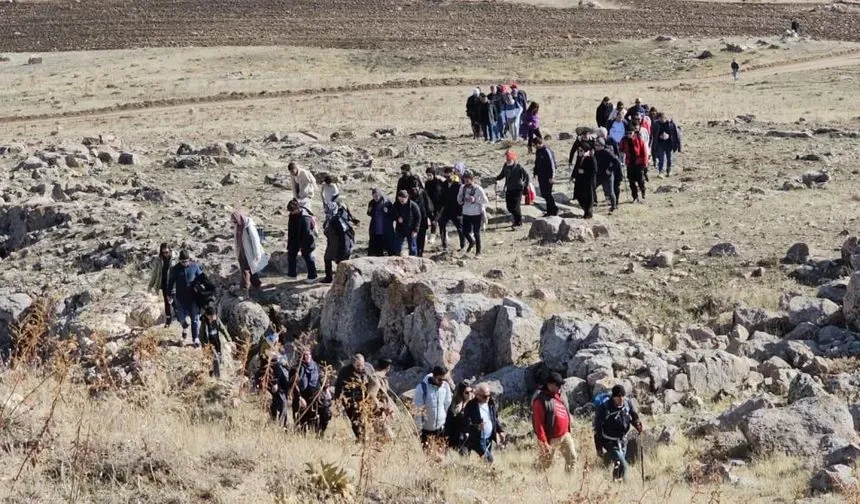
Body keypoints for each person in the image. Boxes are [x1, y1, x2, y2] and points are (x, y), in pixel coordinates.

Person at [594, 385, 643, 482]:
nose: (621, 399)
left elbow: (632, 415)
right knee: (623, 464)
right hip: (609, 441)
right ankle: (623, 484)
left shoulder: (627, 403)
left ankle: (615, 485)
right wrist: (598, 447)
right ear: (613, 397)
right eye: (618, 397)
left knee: (619, 465)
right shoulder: (605, 408)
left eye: (622, 396)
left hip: (623, 440)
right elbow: (597, 429)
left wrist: (637, 424)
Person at [533, 372, 578, 472]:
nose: (559, 387)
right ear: (549, 384)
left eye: (560, 384)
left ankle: (569, 483)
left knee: (572, 458)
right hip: (551, 438)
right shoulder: (540, 401)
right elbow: (538, 424)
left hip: (565, 434)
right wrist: (544, 443)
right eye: (557, 385)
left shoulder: (561, 395)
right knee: (546, 463)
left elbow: (566, 411)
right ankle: (537, 479)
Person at [334, 354, 376, 441]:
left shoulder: (368, 369)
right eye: (358, 365)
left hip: (365, 398)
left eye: (362, 364)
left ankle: (364, 438)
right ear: (353, 364)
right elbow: (338, 386)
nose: (360, 367)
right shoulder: (345, 371)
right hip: (350, 399)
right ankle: (359, 437)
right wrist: (337, 399)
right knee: (354, 420)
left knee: (364, 419)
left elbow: (374, 381)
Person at [167, 250, 205, 346]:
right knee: (180, 318)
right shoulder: (175, 269)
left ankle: (195, 338)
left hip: (193, 298)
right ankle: (185, 326)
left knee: (195, 319)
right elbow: (170, 282)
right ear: (179, 260)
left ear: (189, 260)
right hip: (180, 298)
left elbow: (202, 279)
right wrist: (169, 295)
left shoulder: (195, 267)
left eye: (186, 261)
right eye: (182, 262)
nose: (185, 263)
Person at [414, 366, 453, 453]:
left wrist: (448, 423)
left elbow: (447, 405)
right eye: (439, 379)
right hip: (426, 429)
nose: (442, 382)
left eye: (444, 380)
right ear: (434, 376)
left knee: (441, 455)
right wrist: (418, 428)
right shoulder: (422, 388)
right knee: (428, 455)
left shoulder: (445, 387)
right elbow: (418, 409)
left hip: (441, 428)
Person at [290, 349, 329, 435]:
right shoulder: (296, 369)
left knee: (325, 412)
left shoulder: (316, 367)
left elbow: (322, 379)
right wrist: (299, 398)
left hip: (315, 395)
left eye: (308, 355)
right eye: (304, 355)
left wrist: (326, 388)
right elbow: (293, 385)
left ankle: (320, 431)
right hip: (302, 397)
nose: (306, 357)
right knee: (301, 420)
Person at [463, 383, 505, 463]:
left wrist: (500, 431)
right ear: (477, 395)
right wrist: (477, 427)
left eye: (489, 395)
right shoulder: (470, 406)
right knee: (489, 459)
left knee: (485, 459)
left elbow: (494, 419)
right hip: (477, 439)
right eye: (485, 396)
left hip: (489, 437)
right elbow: (466, 424)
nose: (487, 398)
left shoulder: (491, 404)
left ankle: (484, 473)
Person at [321, 197, 359, 284]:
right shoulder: (331, 219)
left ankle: (342, 281)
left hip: (340, 246)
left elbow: (344, 236)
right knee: (328, 259)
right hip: (333, 244)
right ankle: (329, 278)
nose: (326, 212)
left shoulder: (338, 220)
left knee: (340, 263)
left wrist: (343, 251)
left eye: (327, 210)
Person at [231, 210, 267, 295]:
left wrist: (257, 253)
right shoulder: (237, 225)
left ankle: (244, 288)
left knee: (245, 270)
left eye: (235, 221)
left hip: (249, 252)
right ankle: (257, 284)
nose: (234, 223)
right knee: (250, 269)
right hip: (241, 251)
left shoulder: (248, 225)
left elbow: (255, 240)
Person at [495, 150, 529, 228]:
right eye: (507, 159)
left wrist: (525, 186)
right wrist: (496, 178)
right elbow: (502, 174)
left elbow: (526, 176)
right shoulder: (505, 165)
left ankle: (518, 222)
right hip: (509, 189)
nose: (508, 160)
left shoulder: (519, 166)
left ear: (513, 159)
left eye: (509, 159)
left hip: (518, 189)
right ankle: (516, 219)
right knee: (509, 207)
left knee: (516, 206)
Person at [286, 198, 318, 282]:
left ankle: (312, 276)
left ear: (297, 208)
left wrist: (302, 245)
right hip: (294, 239)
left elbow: (307, 233)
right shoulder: (292, 215)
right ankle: (292, 274)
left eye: (292, 211)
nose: (291, 213)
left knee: (308, 257)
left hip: (306, 241)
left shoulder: (305, 218)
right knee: (291, 255)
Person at [457, 172, 488, 256]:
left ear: (472, 180)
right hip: (466, 212)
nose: (466, 183)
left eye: (468, 181)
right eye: (465, 181)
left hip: (476, 213)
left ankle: (478, 251)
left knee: (476, 232)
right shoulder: (462, 188)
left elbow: (485, 201)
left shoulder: (478, 189)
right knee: (465, 231)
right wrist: (462, 200)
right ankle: (471, 241)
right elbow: (459, 199)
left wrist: (475, 200)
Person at [366, 358, 396, 441]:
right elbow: (371, 396)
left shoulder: (382, 378)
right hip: (377, 415)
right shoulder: (376, 379)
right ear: (388, 367)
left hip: (382, 415)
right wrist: (383, 407)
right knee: (388, 439)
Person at [147, 242, 175, 328]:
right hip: (163, 284)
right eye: (163, 252)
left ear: (170, 251)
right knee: (167, 303)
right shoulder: (159, 260)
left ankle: (179, 318)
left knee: (175, 302)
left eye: (166, 252)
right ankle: (168, 321)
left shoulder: (174, 259)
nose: (165, 254)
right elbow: (155, 273)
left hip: (173, 284)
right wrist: (150, 285)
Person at [438, 167, 466, 252]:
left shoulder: (458, 185)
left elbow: (462, 199)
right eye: (445, 176)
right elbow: (442, 197)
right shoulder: (443, 184)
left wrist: (460, 210)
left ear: (453, 175)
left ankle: (463, 246)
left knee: (460, 228)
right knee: (441, 224)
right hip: (446, 209)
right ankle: (444, 245)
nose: (447, 178)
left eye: (448, 176)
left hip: (456, 210)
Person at [570, 134, 597, 219]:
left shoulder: (591, 158)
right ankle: (585, 210)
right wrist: (573, 176)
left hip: (588, 181)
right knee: (579, 195)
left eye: (581, 151)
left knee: (588, 198)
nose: (579, 152)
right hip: (580, 180)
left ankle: (588, 214)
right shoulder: (580, 157)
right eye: (579, 151)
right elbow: (576, 167)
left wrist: (584, 171)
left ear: (585, 151)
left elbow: (594, 170)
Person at [199, 305, 231, 377]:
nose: (214, 317)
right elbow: (200, 336)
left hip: (217, 342)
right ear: (208, 316)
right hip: (209, 344)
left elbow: (223, 329)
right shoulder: (204, 323)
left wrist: (228, 339)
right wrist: (205, 346)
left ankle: (213, 373)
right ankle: (217, 377)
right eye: (212, 316)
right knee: (214, 359)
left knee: (218, 358)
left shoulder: (217, 320)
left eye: (214, 315)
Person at [620, 124, 648, 203]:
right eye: (627, 133)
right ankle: (635, 197)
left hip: (638, 162)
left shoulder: (639, 140)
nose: (629, 135)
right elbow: (621, 149)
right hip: (630, 163)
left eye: (630, 133)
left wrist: (645, 163)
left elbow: (644, 152)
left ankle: (643, 191)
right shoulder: (624, 140)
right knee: (631, 181)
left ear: (634, 133)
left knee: (640, 180)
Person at [532, 137, 558, 217]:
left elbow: (552, 165)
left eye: (534, 145)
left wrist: (552, 177)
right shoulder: (538, 151)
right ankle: (550, 210)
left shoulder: (547, 151)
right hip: (541, 176)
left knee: (547, 193)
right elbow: (537, 162)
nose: (534, 147)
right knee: (544, 193)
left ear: (538, 144)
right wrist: (535, 172)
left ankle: (553, 210)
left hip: (548, 177)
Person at [445, 381, 474, 454]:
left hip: (469, 439)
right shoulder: (454, 407)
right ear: (461, 394)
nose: (470, 394)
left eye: (471, 391)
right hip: (457, 439)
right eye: (467, 393)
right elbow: (449, 425)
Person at [594, 138, 621, 213]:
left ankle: (613, 206)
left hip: (607, 176)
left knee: (610, 192)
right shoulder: (595, 153)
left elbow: (616, 162)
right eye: (595, 145)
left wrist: (610, 169)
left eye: (597, 145)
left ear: (602, 146)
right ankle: (594, 202)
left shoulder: (607, 152)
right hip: (598, 175)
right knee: (591, 187)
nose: (596, 147)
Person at [651, 113, 682, 177]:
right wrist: (659, 136)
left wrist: (669, 136)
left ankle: (669, 170)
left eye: (663, 118)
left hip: (669, 144)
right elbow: (653, 134)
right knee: (661, 158)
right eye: (660, 118)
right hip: (660, 144)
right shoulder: (656, 125)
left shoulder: (671, 124)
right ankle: (660, 172)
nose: (661, 119)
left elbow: (676, 135)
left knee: (669, 158)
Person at [391, 189, 421, 256]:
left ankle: (413, 260)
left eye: (402, 200)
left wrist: (415, 230)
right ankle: (397, 259)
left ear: (407, 197)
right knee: (397, 246)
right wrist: (397, 218)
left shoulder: (413, 205)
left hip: (411, 229)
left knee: (412, 247)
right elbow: (392, 214)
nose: (401, 201)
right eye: (400, 199)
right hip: (400, 229)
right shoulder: (396, 205)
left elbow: (418, 217)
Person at [366, 188, 395, 257]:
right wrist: (369, 211)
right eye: (374, 196)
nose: (376, 197)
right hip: (376, 228)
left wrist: (387, 212)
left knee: (389, 248)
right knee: (377, 248)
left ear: (380, 194)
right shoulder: (372, 202)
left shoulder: (387, 202)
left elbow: (393, 214)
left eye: (377, 195)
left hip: (386, 228)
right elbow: (369, 213)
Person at [409, 184, 434, 257]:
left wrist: (431, 218)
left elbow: (428, 205)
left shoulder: (423, 193)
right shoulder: (410, 194)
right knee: (414, 236)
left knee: (421, 236)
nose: (414, 188)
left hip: (423, 218)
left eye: (416, 186)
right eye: (413, 186)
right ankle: (414, 252)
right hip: (413, 219)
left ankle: (420, 252)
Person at [424, 167, 444, 240]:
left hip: (440, 204)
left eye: (430, 175)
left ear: (433, 174)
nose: (429, 177)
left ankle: (443, 235)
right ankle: (433, 234)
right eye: (427, 175)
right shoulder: (427, 183)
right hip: (431, 204)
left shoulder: (439, 182)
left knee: (439, 220)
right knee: (433, 219)